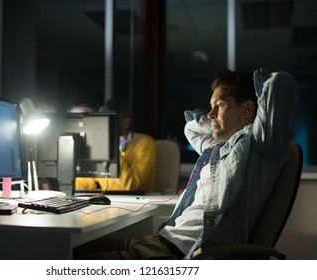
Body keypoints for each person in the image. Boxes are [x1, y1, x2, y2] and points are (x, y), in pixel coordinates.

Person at [73, 68, 299, 259]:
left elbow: (281, 83)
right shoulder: (218, 149)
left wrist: (255, 81)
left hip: (179, 255)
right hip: (160, 242)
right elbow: (191, 129)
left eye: (218, 105)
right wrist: (213, 118)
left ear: (248, 109)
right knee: (71, 250)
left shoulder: (261, 145)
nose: (210, 114)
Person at [74, 99, 156, 193]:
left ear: (126, 122)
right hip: (109, 200)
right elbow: (83, 184)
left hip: (139, 202)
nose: (104, 124)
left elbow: (130, 186)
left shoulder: (144, 142)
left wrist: (109, 147)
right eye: (102, 119)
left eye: (111, 119)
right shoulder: (100, 146)